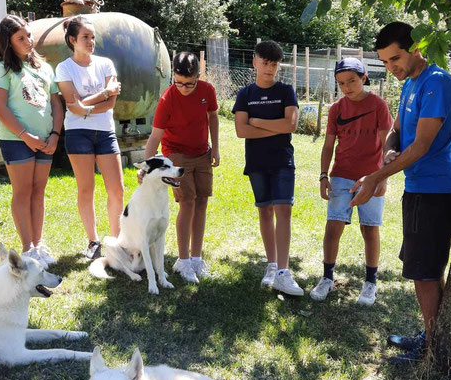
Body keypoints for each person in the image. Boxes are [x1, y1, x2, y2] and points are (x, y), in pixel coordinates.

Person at [350, 22, 451, 364]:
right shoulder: (410, 85)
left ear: (416, 48)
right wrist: (387, 152)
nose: (391, 67)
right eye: (384, 62)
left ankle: (432, 352)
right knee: (423, 271)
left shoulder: (436, 82)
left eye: (395, 58)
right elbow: (396, 134)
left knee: (425, 274)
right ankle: (430, 338)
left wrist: (375, 178)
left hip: (435, 192)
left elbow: (421, 146)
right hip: (418, 190)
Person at [311, 57, 393, 306]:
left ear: (364, 78)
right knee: (333, 227)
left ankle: (370, 284)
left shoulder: (379, 105)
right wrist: (324, 175)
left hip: (371, 176)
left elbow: (387, 144)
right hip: (341, 174)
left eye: (352, 81)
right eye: (341, 83)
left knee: (369, 228)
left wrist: (382, 177)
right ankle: (327, 278)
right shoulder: (337, 109)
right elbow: (328, 145)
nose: (347, 87)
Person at [0, 15, 64, 267]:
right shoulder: (0, 69)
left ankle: (39, 244)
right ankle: (28, 247)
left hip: (45, 139)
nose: (28, 41)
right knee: (22, 191)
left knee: (38, 190)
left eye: (28, 35)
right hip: (16, 139)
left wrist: (55, 134)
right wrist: (24, 135)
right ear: (8, 42)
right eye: (21, 38)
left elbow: (56, 103)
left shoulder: (44, 67)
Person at [143, 52, 219, 283]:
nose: (184, 87)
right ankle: (183, 261)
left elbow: (213, 117)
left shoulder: (207, 91)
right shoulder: (167, 99)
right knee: (187, 202)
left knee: (202, 201)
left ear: (198, 75)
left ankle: (197, 258)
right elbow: (155, 137)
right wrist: (147, 168)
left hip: (202, 153)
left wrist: (215, 148)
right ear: (172, 77)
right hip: (176, 154)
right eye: (178, 82)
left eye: (189, 83)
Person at [233, 40, 301, 296]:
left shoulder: (286, 91)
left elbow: (291, 125)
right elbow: (241, 130)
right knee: (265, 211)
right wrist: (275, 124)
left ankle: (284, 272)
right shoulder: (245, 95)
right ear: (255, 63)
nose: (269, 68)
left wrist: (259, 121)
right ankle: (271, 266)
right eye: (265, 63)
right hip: (257, 162)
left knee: (284, 210)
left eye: (274, 64)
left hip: (282, 160)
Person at [55, 16, 124, 260]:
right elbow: (72, 106)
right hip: (77, 133)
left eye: (93, 37)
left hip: (105, 132)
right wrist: (102, 93)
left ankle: (116, 242)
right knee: (86, 188)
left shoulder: (106, 64)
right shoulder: (64, 68)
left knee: (116, 189)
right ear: (72, 40)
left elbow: (110, 103)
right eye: (86, 37)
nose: (91, 41)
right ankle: (93, 242)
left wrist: (84, 106)